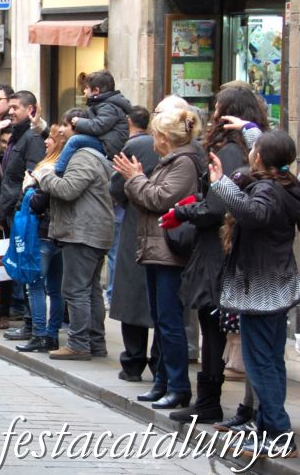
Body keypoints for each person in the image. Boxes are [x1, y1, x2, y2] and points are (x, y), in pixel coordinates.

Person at [164, 86, 267, 424]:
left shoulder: (233, 153)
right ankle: (212, 401)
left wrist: (188, 211)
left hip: (219, 251)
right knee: (214, 328)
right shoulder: (238, 150)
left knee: (215, 327)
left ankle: (212, 402)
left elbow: (219, 207)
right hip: (218, 248)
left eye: (218, 107)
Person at [207, 129, 300, 459]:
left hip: (261, 289)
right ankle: (267, 428)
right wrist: (249, 130)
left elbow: (254, 213)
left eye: (254, 149)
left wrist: (222, 184)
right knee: (271, 360)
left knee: (260, 364)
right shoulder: (287, 185)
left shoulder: (268, 190)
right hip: (277, 285)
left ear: (259, 158)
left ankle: (277, 432)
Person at [115, 108, 203, 410]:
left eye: (155, 134)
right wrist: (139, 180)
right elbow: (150, 195)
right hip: (157, 250)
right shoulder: (172, 162)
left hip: (170, 252)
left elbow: (157, 199)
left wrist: (135, 177)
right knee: (162, 320)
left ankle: (178, 386)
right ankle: (163, 381)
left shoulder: (184, 163)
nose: (152, 138)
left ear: (164, 138)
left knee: (169, 322)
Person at [34, 107, 115, 361]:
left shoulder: (83, 156)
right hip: (90, 230)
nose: (61, 131)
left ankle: (79, 343)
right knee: (89, 290)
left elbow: (68, 189)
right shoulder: (93, 154)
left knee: (76, 290)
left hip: (83, 232)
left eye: (65, 127)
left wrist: (43, 176)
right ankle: (94, 342)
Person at [108, 106, 160, 383]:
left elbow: (116, 186)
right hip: (167, 228)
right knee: (156, 299)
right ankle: (157, 364)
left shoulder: (139, 145)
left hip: (138, 223)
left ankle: (133, 361)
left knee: (134, 293)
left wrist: (133, 192)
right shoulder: (192, 151)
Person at [0, 91, 47, 338]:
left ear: (31, 110)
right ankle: (29, 322)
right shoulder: (17, 136)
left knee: (28, 271)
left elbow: (30, 178)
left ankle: (32, 325)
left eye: (16, 107)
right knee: (21, 270)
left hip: (25, 214)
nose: (11, 111)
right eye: (10, 107)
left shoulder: (32, 138)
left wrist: (16, 206)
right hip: (13, 212)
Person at [17, 124, 70, 353]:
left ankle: (40, 333)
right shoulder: (68, 165)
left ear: (58, 143)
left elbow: (39, 202)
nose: (45, 141)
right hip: (59, 234)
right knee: (55, 288)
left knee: (36, 285)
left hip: (43, 232)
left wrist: (28, 186)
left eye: (49, 138)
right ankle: (52, 335)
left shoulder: (48, 168)